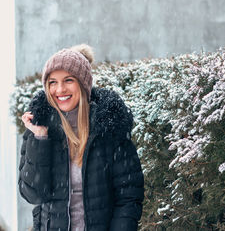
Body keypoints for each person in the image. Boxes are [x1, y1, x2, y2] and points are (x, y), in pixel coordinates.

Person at [18, 44, 144, 231]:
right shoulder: (40, 127)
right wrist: (40, 139)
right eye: (52, 82)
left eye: (68, 80)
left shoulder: (109, 126)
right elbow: (33, 195)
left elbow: (128, 196)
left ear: (83, 83)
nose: (59, 89)